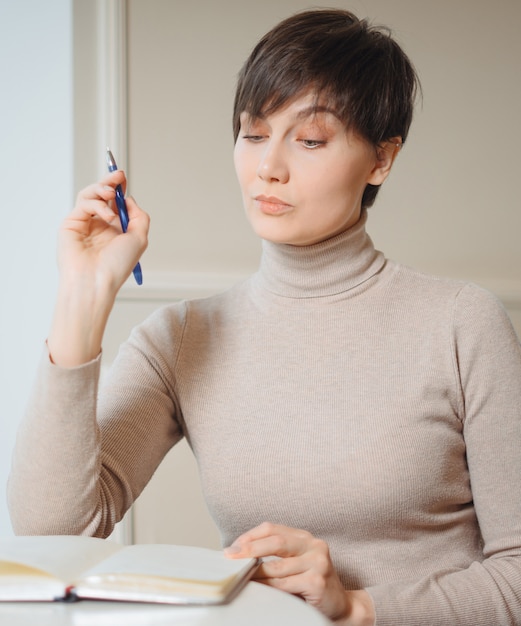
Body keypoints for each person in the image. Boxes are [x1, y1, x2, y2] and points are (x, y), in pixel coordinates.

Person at [7, 8, 521, 626]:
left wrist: (358, 608)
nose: (268, 167)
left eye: (309, 140)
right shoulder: (181, 338)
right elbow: (53, 530)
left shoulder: (464, 324)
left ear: (382, 160)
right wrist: (81, 297)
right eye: (253, 134)